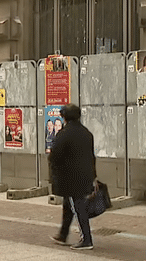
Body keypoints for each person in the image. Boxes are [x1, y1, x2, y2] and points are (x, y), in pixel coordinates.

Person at [50, 104, 96, 250]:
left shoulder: (64, 134)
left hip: (70, 178)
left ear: (64, 117)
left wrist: (55, 174)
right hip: (85, 175)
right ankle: (63, 234)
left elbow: (54, 156)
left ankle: (86, 239)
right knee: (68, 205)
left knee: (77, 207)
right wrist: (93, 176)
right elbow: (91, 156)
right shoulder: (86, 133)